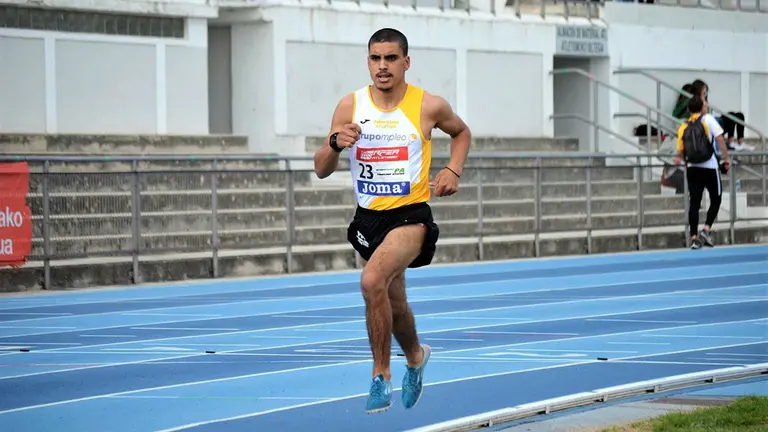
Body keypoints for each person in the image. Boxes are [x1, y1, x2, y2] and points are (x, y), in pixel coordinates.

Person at [312, 27, 471, 414]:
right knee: (394, 302)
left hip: (411, 216)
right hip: (369, 219)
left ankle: (380, 374)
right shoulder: (350, 106)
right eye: (375, 58)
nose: (382, 67)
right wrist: (334, 144)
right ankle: (415, 357)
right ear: (368, 61)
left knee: (371, 281)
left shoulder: (427, 105)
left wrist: (453, 169)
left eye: (390, 58)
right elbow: (320, 169)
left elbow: (462, 132)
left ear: (405, 62)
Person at [674, 96, 730, 249]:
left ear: (687, 109)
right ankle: (705, 230)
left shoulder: (683, 126)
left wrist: (680, 160)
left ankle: (693, 238)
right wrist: (726, 158)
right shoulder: (708, 120)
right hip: (710, 167)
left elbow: (680, 152)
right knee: (716, 198)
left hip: (692, 168)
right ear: (703, 108)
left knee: (694, 203)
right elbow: (720, 139)